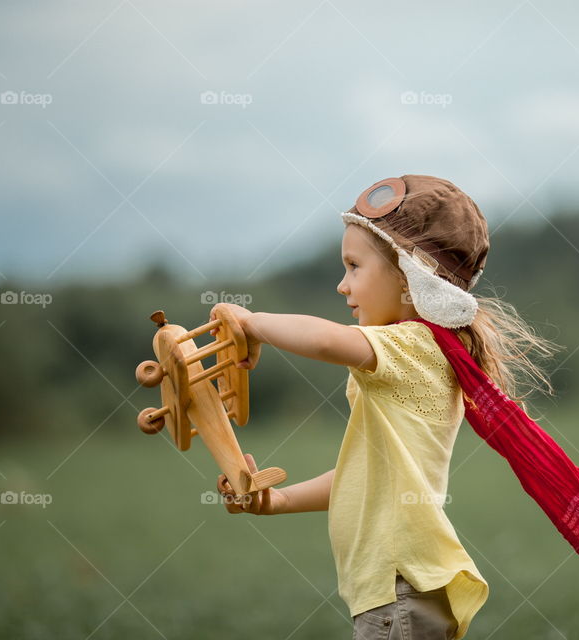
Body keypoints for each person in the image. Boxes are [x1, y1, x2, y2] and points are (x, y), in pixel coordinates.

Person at [212, 174, 560, 639]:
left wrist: (250, 322)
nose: (342, 285)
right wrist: (276, 501)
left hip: (399, 591)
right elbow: (363, 478)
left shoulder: (415, 347)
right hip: (397, 591)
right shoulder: (414, 357)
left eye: (354, 266)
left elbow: (321, 340)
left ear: (407, 275)